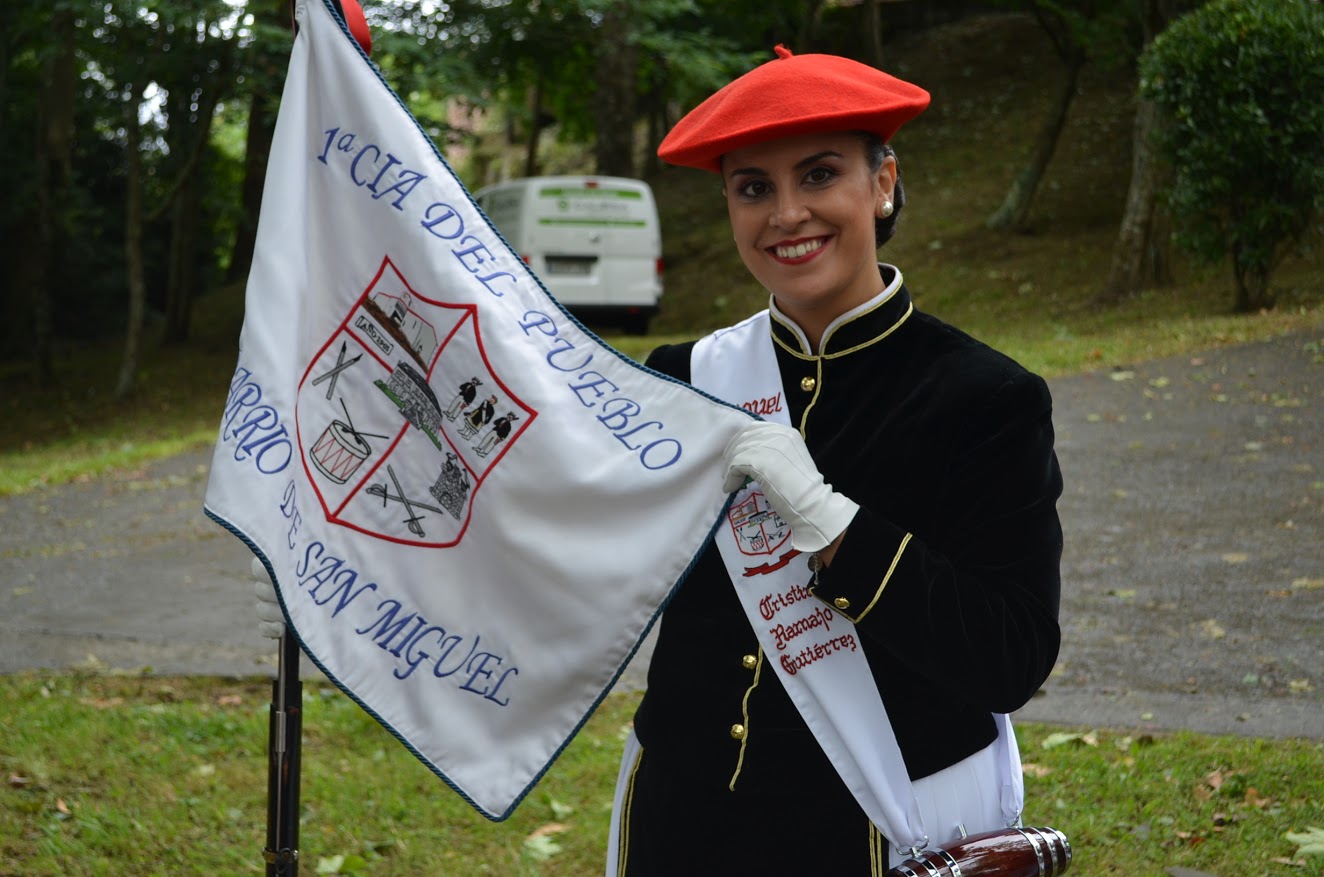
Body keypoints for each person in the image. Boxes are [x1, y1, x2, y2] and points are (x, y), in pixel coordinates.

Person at [602, 46, 1064, 875]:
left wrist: (833, 524)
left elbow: (1011, 657)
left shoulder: (986, 397)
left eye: (818, 175)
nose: (786, 214)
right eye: (753, 188)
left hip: (869, 826)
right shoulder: (682, 378)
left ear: (882, 182)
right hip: (680, 814)